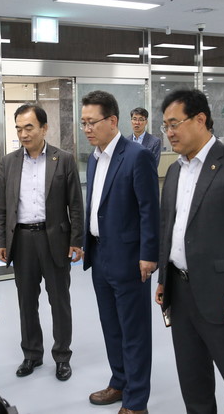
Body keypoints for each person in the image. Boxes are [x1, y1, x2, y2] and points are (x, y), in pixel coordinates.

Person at [154, 89, 224, 414]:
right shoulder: (175, 170)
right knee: (193, 380)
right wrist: (164, 278)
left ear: (200, 119)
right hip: (180, 291)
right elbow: (169, 227)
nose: (169, 132)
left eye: (174, 124)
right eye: (165, 126)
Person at [81, 91, 159, 414]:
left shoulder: (136, 156)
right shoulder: (93, 159)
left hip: (130, 258)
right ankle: (120, 380)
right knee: (111, 325)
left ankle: (136, 401)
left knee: (134, 330)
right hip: (99, 254)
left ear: (112, 121)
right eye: (83, 123)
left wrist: (149, 254)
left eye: (92, 122)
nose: (87, 129)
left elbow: (149, 209)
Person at [0, 104, 84, 381]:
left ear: (44, 128)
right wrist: (2, 240)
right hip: (21, 240)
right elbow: (1, 206)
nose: (23, 134)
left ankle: (62, 356)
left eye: (29, 127)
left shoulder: (63, 159)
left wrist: (76, 240)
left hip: (54, 239)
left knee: (59, 300)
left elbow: (75, 205)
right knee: (26, 301)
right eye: (19, 128)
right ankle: (32, 354)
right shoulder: (8, 162)